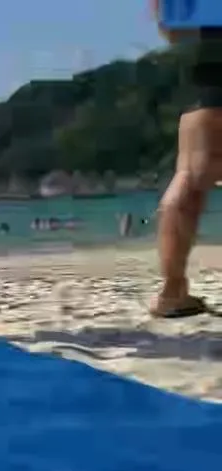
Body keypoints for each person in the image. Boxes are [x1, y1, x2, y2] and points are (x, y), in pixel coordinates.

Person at [150, 3, 221, 317]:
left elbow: (171, 29)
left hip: (203, 69)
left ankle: (172, 290)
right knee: (190, 180)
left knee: (189, 178)